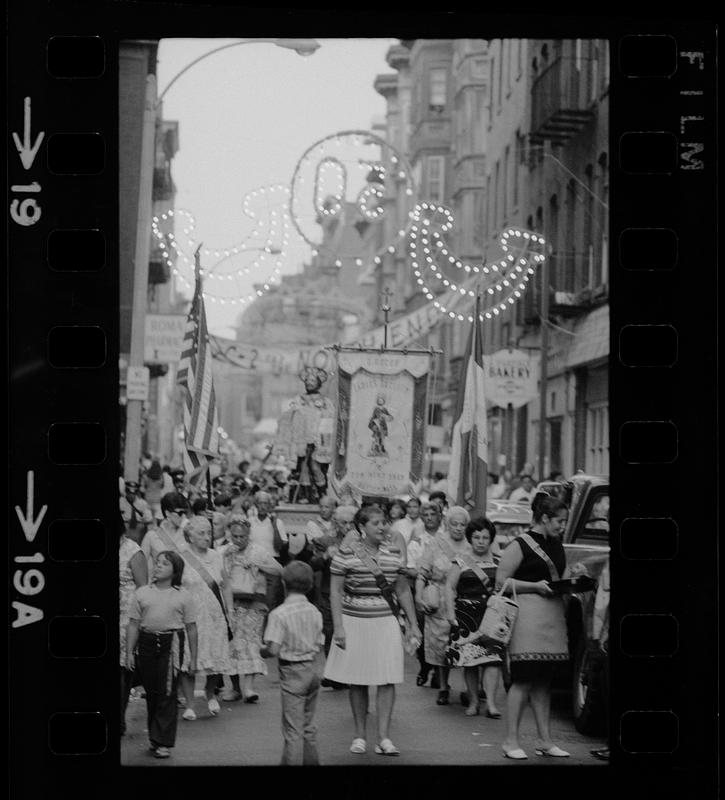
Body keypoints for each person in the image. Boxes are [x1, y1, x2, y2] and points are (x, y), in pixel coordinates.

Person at [323, 504, 421, 756]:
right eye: (375, 523)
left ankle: (384, 738)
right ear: (361, 527)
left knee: (387, 679)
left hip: (386, 622)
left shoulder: (394, 552)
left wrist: (413, 624)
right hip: (355, 621)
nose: (382, 527)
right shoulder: (345, 554)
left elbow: (401, 589)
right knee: (358, 680)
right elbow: (335, 591)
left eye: (384, 522)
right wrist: (339, 627)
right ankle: (359, 736)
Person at [496, 492, 576, 760]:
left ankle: (544, 740)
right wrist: (535, 587)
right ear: (544, 518)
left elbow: (561, 579)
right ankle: (510, 742)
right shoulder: (519, 545)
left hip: (552, 617)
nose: (562, 526)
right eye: (559, 521)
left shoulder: (557, 544)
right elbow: (501, 583)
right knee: (524, 680)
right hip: (527, 617)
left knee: (544, 681)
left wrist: (575, 581)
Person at [125, 550, 198, 759]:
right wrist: (129, 652)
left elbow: (192, 628)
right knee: (152, 692)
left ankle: (163, 742)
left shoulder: (183, 596)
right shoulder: (142, 593)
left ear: (175, 570)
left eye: (164, 564)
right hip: (147, 642)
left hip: (171, 642)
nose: (158, 567)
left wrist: (193, 658)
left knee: (167, 692)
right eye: (157, 563)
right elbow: (133, 624)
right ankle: (155, 738)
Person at [260, 561, 325, 766]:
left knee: (292, 730)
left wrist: (260, 649)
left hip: (292, 671)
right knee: (308, 726)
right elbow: (320, 642)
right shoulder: (315, 611)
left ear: (284, 583)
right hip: (312, 668)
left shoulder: (279, 614)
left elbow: (273, 650)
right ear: (310, 585)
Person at [221, 514, 284, 703]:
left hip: (254, 602)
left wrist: (258, 565)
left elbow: (279, 570)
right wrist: (225, 558)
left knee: (251, 644)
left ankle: (249, 688)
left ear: (249, 536)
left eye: (243, 536)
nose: (239, 540)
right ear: (230, 535)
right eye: (235, 536)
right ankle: (235, 688)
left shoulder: (258, 551)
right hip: (231, 602)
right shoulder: (223, 551)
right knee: (232, 645)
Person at [444, 517, 503, 717]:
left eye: (485, 537)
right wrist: (451, 614)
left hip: (493, 615)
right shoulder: (460, 561)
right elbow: (449, 587)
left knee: (493, 659)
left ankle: (492, 704)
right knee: (470, 660)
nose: (480, 541)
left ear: (491, 539)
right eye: (476, 537)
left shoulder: (499, 561)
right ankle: (473, 702)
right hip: (466, 616)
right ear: (470, 538)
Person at [415, 505, 473, 704]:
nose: (458, 528)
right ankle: (443, 687)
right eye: (454, 524)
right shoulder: (435, 543)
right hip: (439, 601)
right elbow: (422, 572)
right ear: (447, 524)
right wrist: (419, 596)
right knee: (441, 644)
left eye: (462, 524)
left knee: (467, 644)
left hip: (464, 600)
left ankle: (468, 689)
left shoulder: (472, 545)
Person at [176, 516, 232, 721]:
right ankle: (190, 704)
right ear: (189, 535)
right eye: (201, 533)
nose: (207, 537)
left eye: (209, 532)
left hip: (215, 616)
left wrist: (230, 611)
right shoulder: (180, 557)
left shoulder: (217, 556)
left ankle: (210, 694)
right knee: (188, 659)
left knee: (216, 657)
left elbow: (225, 585)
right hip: (190, 617)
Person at [310, 504, 356, 689]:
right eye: (344, 523)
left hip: (353, 593)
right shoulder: (324, 540)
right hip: (330, 593)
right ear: (336, 523)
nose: (348, 526)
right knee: (331, 632)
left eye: (351, 523)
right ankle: (333, 673)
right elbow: (312, 564)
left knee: (352, 633)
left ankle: (350, 673)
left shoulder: (360, 541)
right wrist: (325, 557)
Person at [287, 366, 335, 503]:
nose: (309, 383)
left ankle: (322, 494)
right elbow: (292, 417)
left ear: (318, 383)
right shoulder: (299, 399)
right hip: (301, 440)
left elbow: (329, 420)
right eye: (307, 381)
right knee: (303, 468)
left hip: (318, 442)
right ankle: (306, 495)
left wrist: (319, 438)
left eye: (313, 381)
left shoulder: (325, 402)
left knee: (316, 467)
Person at [120, 511, 148, 736]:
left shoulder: (133, 551)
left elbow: (142, 589)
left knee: (122, 668)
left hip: (126, 617)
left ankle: (119, 716)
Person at [249, 490, 288, 609]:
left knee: (270, 599)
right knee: (255, 599)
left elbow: (279, 546)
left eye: (265, 503)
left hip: (271, 563)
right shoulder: (250, 521)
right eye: (260, 503)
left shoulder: (277, 522)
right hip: (253, 564)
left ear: (269, 506)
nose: (262, 506)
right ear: (256, 505)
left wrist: (274, 525)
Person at [141, 492, 190, 579]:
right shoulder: (151, 536)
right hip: (161, 586)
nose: (183, 516)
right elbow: (142, 569)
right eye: (180, 513)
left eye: (185, 512)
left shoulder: (189, 534)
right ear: (167, 513)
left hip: (186, 586)